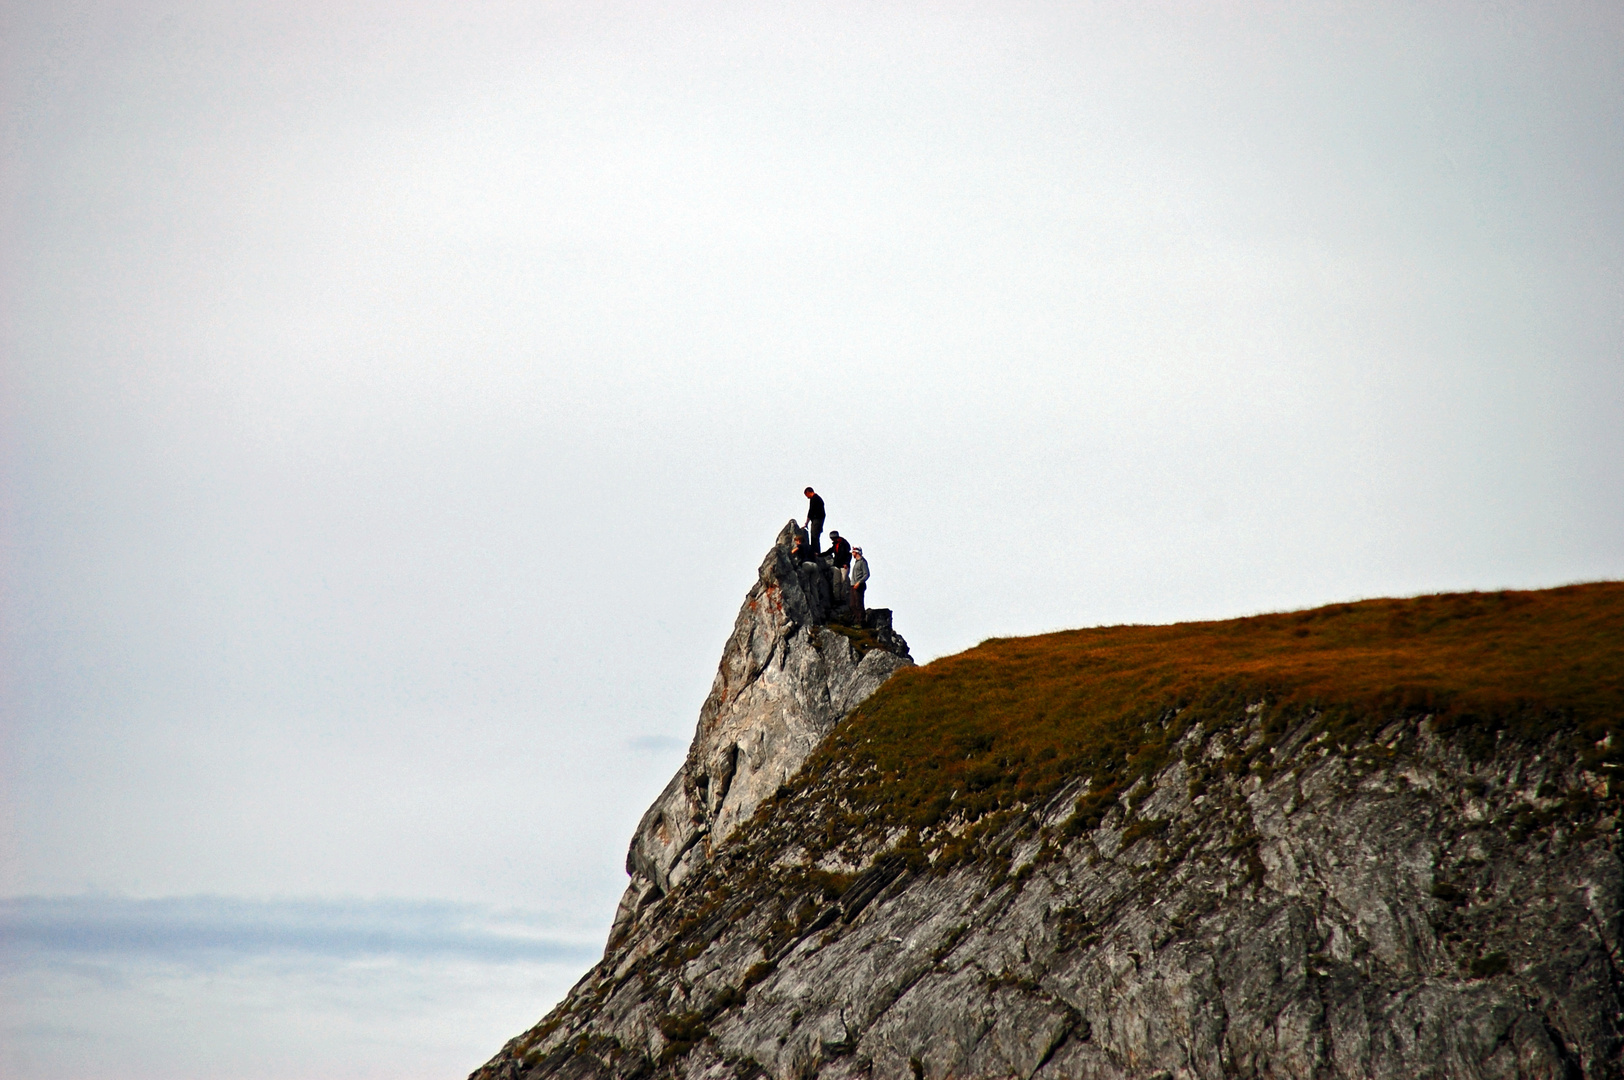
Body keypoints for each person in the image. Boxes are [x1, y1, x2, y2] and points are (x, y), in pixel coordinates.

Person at [848, 546, 869, 620]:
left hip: (859, 586)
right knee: (852, 604)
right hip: (853, 585)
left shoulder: (862, 562)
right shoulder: (857, 562)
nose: (852, 554)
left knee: (858, 604)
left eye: (853, 552)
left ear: (856, 552)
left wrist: (859, 582)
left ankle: (862, 622)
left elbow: (866, 574)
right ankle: (857, 620)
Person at [803, 487, 826, 553]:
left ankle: (815, 552)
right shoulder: (818, 498)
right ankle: (816, 551)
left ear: (808, 492)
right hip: (820, 520)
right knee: (816, 536)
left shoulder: (814, 499)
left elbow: (811, 511)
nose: (807, 497)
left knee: (814, 536)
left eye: (806, 495)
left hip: (817, 520)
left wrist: (806, 523)